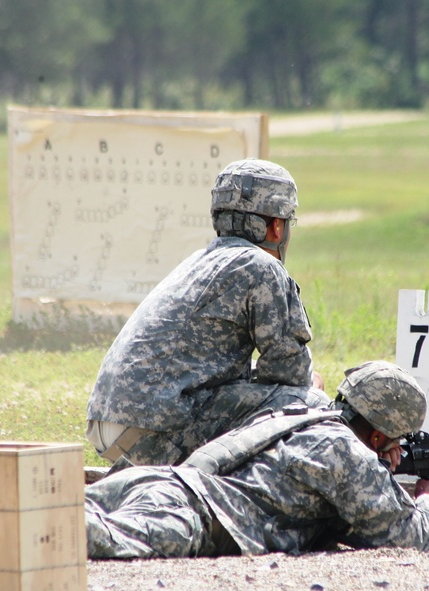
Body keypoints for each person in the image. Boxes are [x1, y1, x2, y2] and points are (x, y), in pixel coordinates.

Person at [0, 362, 429, 559]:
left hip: (161, 479)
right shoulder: (342, 450)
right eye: (391, 441)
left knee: (54, 509)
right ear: (381, 431)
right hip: (191, 512)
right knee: (59, 535)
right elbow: (404, 535)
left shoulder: (302, 415)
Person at [86, 158, 322, 471]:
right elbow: (291, 374)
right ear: (277, 226)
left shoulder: (202, 260)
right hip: (154, 429)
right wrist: (312, 385)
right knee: (309, 404)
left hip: (112, 423)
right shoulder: (262, 268)